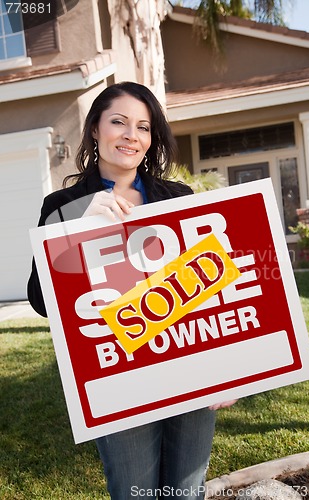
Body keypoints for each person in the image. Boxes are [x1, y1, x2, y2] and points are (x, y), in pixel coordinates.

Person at [27, 81, 236, 499]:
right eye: (118, 122)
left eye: (143, 127)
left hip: (189, 363)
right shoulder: (63, 204)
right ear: (94, 131)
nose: (131, 135)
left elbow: (211, 288)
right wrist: (76, 228)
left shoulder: (177, 197)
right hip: (118, 374)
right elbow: (40, 299)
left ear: (151, 139)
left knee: (186, 490)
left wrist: (225, 368)